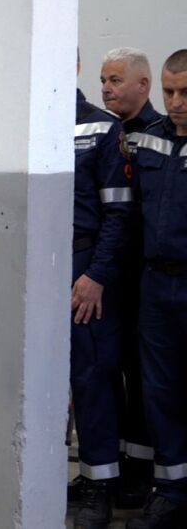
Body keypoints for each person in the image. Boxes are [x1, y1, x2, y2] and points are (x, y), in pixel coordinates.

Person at [65, 65, 133, 529]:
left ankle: (99, 485)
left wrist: (96, 275)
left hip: (80, 266)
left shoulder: (101, 128)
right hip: (30, 267)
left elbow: (119, 212)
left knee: (91, 379)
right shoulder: (18, 123)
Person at [125, 50, 187, 529]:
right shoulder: (148, 140)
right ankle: (170, 490)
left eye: (185, 93)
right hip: (155, 285)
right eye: (169, 91)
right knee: (159, 391)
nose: (176, 101)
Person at [97, 47, 160, 507]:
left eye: (116, 80)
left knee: (142, 377)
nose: (106, 88)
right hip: (107, 272)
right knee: (105, 371)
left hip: (146, 273)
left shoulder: (160, 135)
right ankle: (112, 467)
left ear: (143, 84)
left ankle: (141, 470)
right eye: (103, 79)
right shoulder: (103, 133)